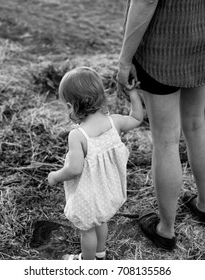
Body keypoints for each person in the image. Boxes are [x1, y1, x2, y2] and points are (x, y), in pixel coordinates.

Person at [117, 0, 205, 251]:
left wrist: (125, 61)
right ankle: (204, 206)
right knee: (195, 123)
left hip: (162, 49)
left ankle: (165, 230)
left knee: (166, 140)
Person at [47, 67, 143, 260]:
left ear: (71, 106)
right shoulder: (114, 122)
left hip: (88, 194)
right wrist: (133, 93)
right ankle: (101, 253)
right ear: (100, 96)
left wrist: (55, 176)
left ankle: (86, 262)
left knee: (87, 230)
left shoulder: (78, 135)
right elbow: (137, 117)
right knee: (101, 220)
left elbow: (74, 169)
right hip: (108, 191)